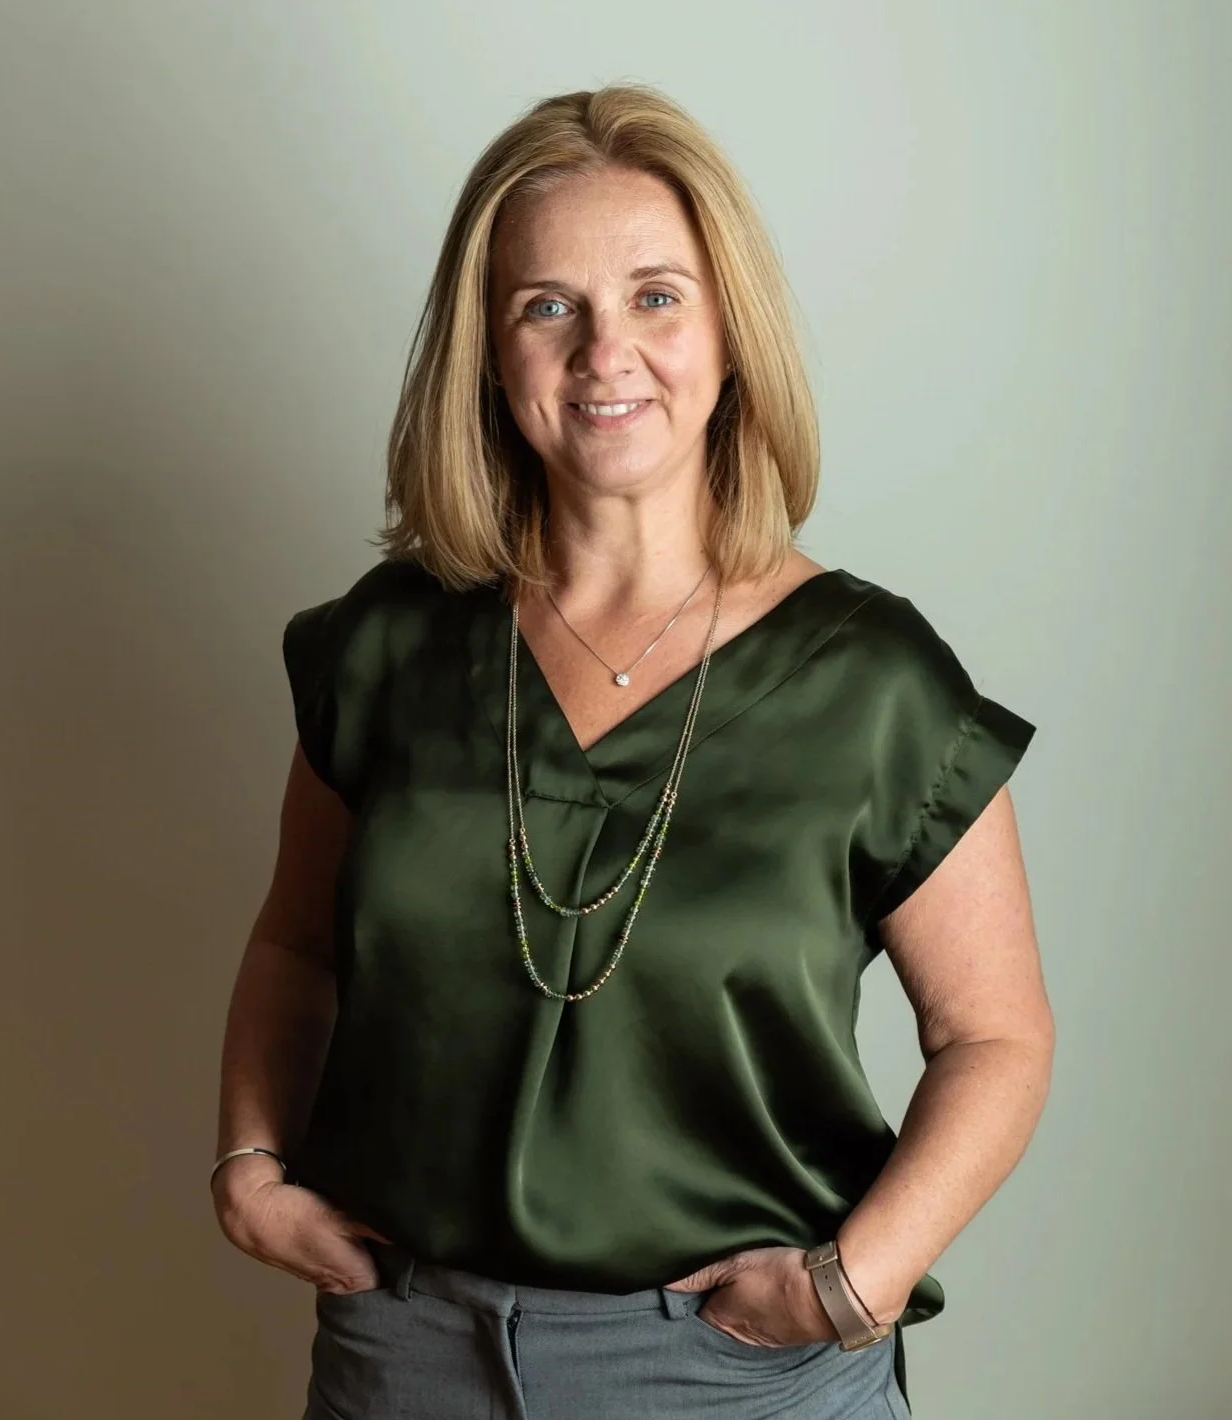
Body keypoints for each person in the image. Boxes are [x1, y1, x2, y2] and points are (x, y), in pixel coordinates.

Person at [211, 82, 1052, 1420]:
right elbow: (295, 946)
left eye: (656, 297)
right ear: (489, 354)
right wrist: (250, 1167)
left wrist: (854, 1285)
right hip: (407, 1357)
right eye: (548, 306)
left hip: (731, 1375)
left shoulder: (873, 682)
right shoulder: (388, 647)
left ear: (728, 333)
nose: (606, 353)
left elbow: (993, 1033)